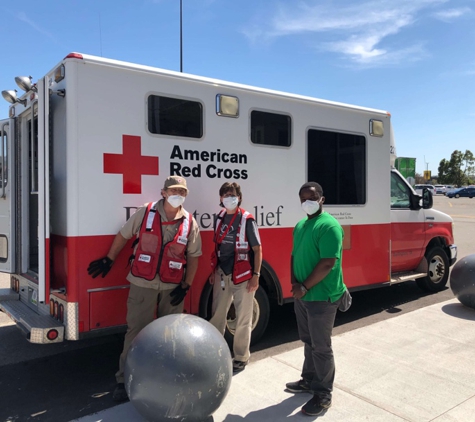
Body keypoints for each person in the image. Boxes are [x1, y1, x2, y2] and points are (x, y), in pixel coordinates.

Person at [87, 175, 202, 402]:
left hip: (172, 286)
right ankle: (124, 380)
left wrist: (187, 285)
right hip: (142, 283)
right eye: (173, 190)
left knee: (171, 336)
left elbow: (194, 256)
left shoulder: (190, 222)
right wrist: (109, 259)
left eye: (182, 191)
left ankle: (165, 377)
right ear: (164, 192)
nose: (178, 195)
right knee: (136, 333)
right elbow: (123, 235)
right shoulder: (146, 212)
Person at [286, 181, 350, 417]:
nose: (307, 202)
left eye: (311, 198)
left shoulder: (329, 226)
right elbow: (294, 255)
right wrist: (295, 283)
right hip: (303, 295)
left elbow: (327, 263)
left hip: (322, 297)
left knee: (321, 347)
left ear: (322, 199)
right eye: (303, 198)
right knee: (308, 341)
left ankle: (323, 394)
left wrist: (303, 286)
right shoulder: (301, 225)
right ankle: (309, 380)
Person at [209, 182, 262, 373]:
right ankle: (214, 353)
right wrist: (213, 272)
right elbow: (217, 247)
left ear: (239, 197)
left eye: (232, 194)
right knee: (218, 316)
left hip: (243, 277)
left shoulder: (247, 220)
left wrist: (256, 276)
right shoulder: (220, 217)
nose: (228, 198)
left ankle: (240, 357)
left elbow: (257, 249)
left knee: (243, 319)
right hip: (222, 274)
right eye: (225, 195)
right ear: (221, 198)